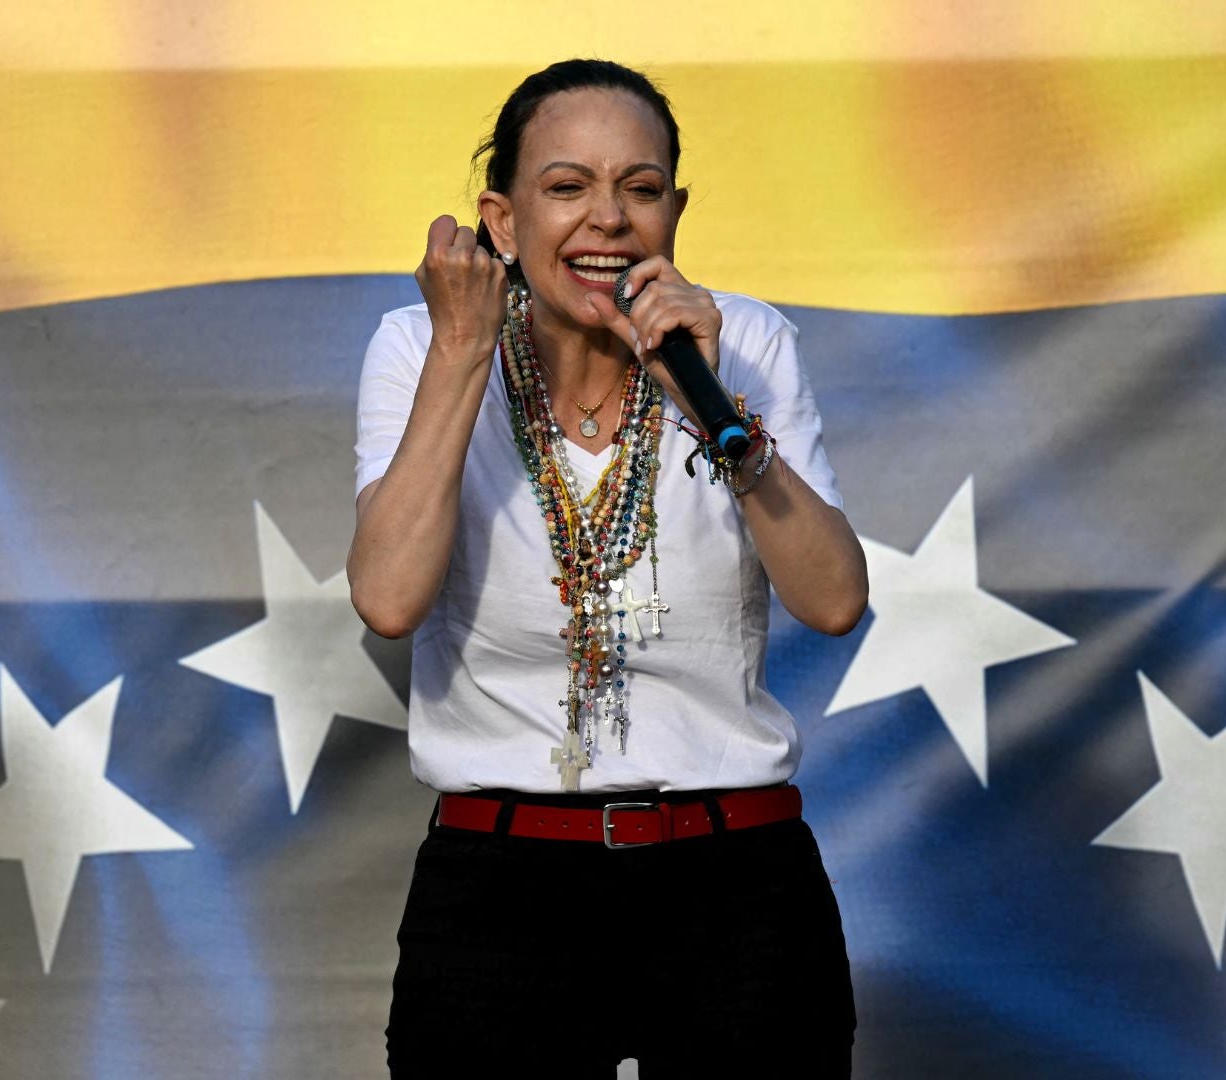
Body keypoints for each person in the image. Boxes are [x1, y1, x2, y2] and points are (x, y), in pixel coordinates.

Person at [347, 58, 868, 1078]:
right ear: (501, 219)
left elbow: (836, 600)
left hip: (735, 876)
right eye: (566, 187)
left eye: (640, 188)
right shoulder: (419, 345)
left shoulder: (741, 341)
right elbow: (389, 598)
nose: (608, 220)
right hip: (502, 883)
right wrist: (462, 353)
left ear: (676, 209)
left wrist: (712, 405)